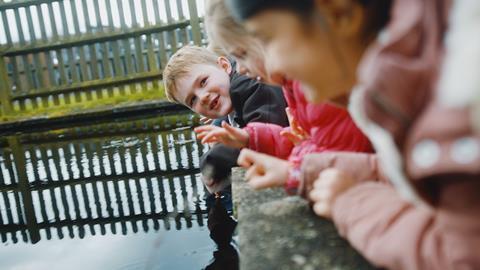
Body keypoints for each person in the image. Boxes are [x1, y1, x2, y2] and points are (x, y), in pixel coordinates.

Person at [228, 0, 480, 269]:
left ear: (341, 13)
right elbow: (401, 171)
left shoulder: (460, 98)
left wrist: (350, 203)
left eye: (268, 39)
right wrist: (301, 174)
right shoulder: (424, 76)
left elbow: (462, 257)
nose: (274, 68)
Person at [200, 0, 373, 194]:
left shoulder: (317, 82)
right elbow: (313, 143)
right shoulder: (292, 85)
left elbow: (341, 155)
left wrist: (292, 173)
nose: (239, 68)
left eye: (243, 53)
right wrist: (252, 137)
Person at [163, 45, 289, 194]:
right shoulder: (231, 98)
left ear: (224, 66)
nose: (202, 97)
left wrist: (213, 160)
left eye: (203, 82)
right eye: (192, 100)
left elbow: (264, 135)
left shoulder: (249, 83)